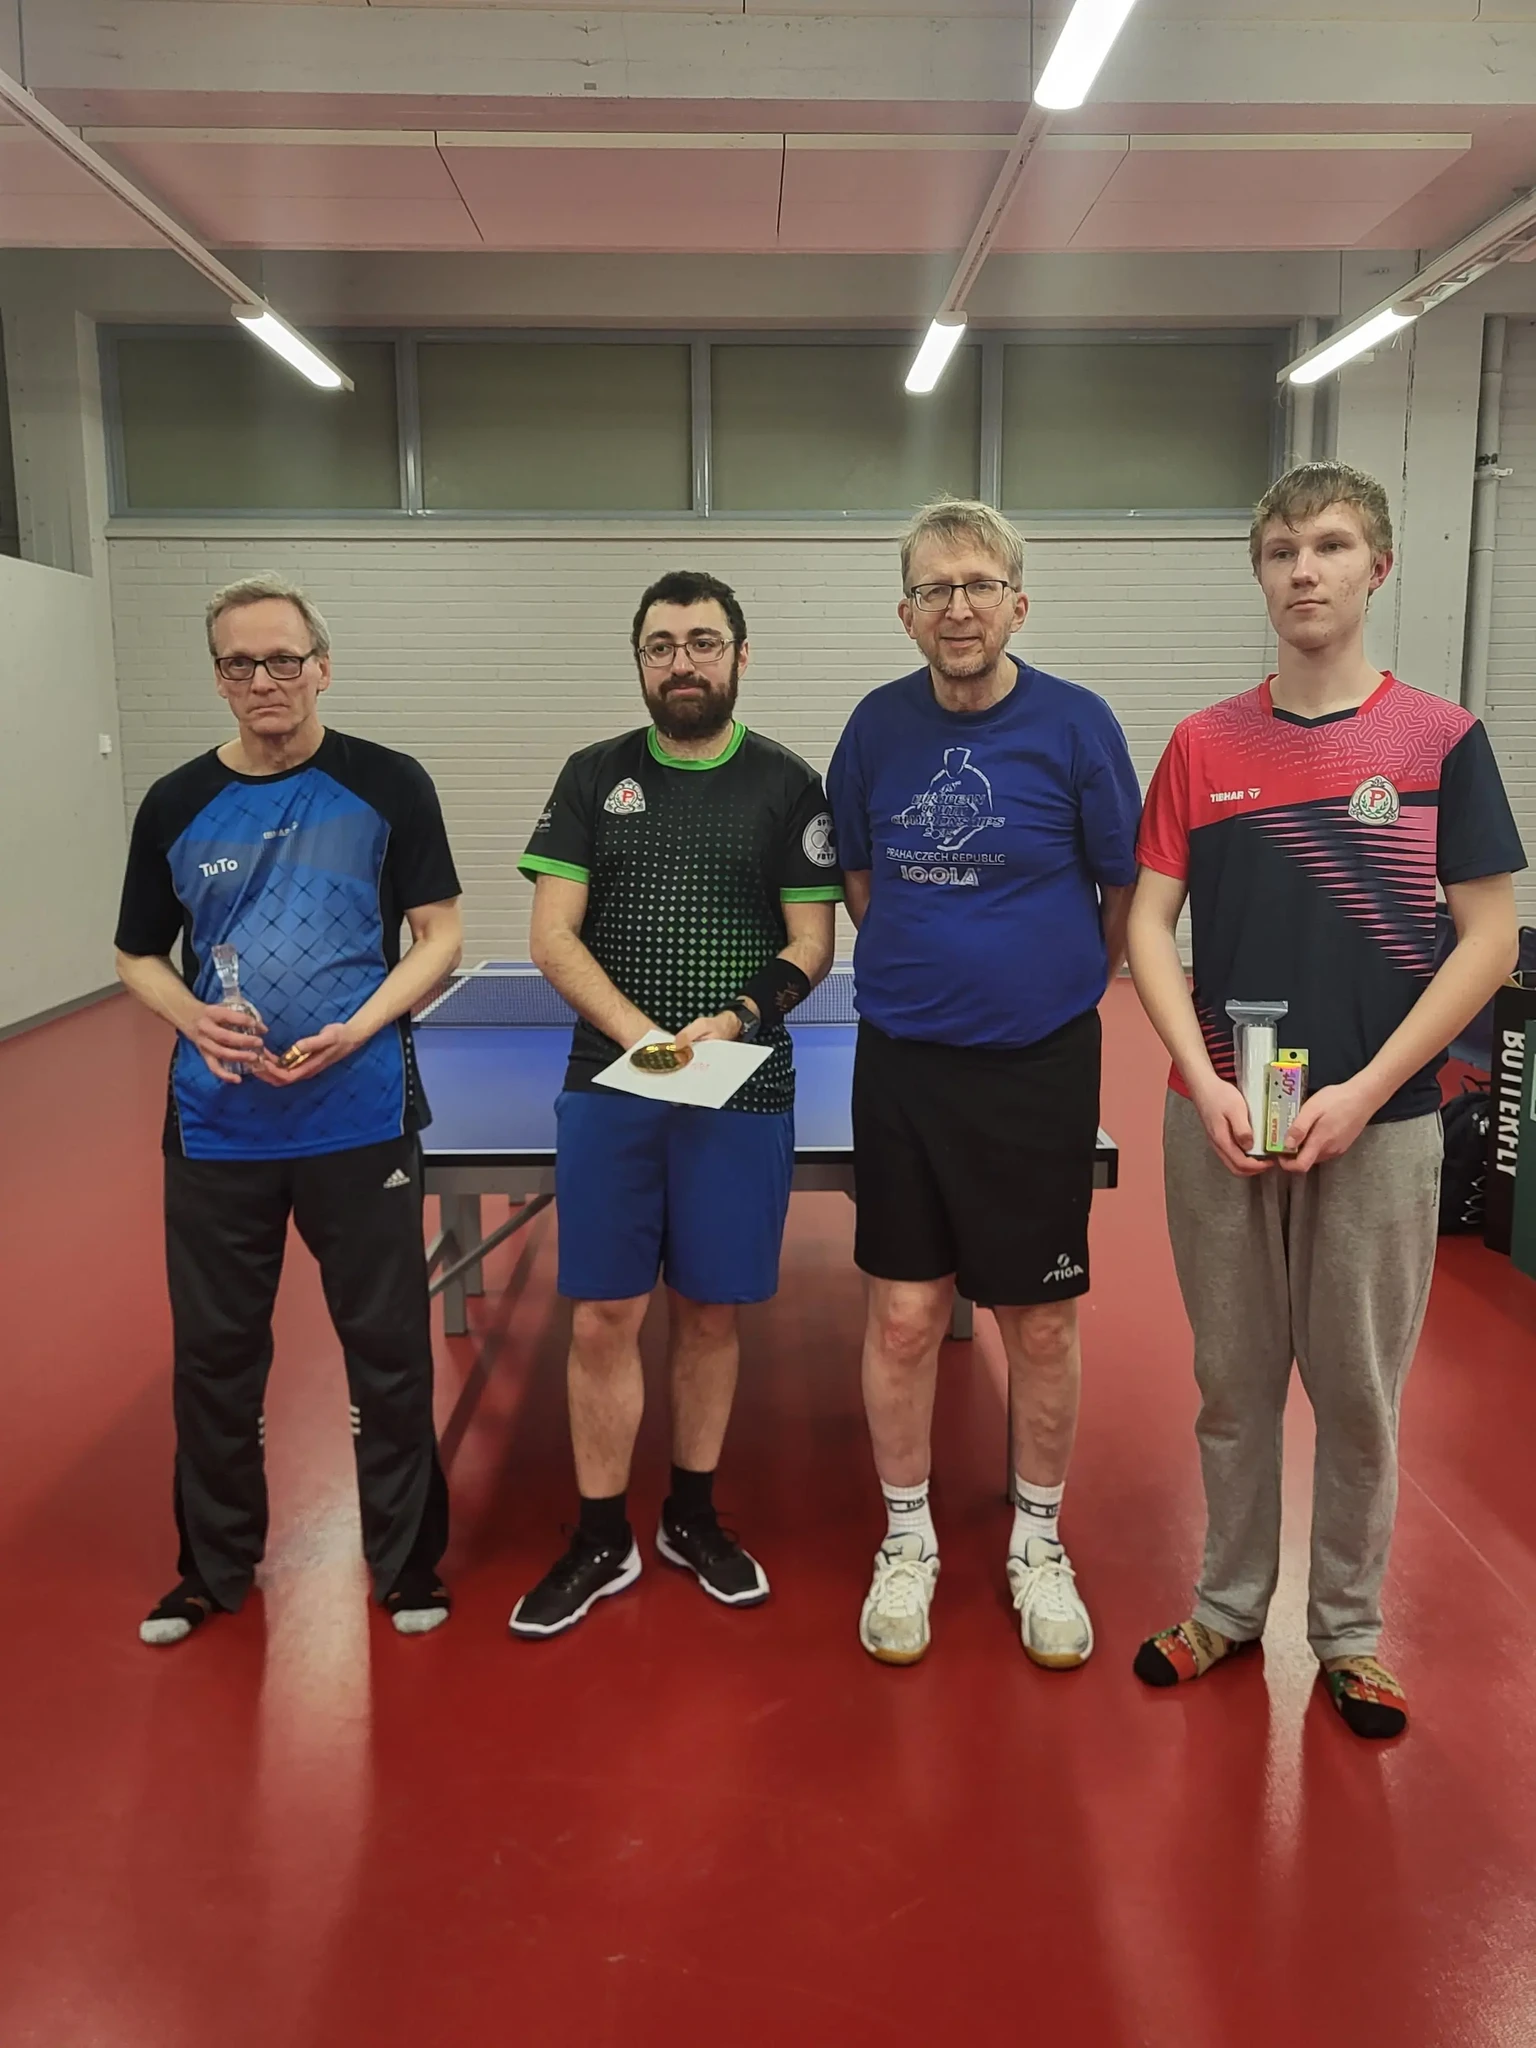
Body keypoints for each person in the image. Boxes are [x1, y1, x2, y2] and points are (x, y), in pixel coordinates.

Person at [1128, 461, 1524, 1738]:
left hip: (1380, 1125)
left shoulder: (1441, 743)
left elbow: (1489, 939)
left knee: (1358, 1395)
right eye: (1283, 549)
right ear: (1260, 572)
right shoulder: (1202, 744)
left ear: (1378, 566)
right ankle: (1227, 1605)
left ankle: (1349, 1631)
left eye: (1333, 545)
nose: (1305, 569)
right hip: (1222, 1119)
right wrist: (1201, 1079)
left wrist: (1370, 1088)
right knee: (1232, 1384)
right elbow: (1146, 922)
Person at [115, 574, 464, 1646]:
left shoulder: (388, 783)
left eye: (283, 658)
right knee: (216, 1357)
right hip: (218, 1127)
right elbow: (137, 954)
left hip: (361, 1115)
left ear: (321, 665)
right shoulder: (174, 802)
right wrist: (192, 1018)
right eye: (240, 663)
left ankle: (406, 1563)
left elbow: (440, 933)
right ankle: (211, 1570)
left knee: (389, 1349)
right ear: (218, 677)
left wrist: (363, 1024)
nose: (264, 679)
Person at [825, 499, 1141, 1669]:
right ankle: (907, 1538)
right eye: (934, 588)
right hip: (904, 1059)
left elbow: (1123, 884)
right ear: (906, 611)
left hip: (1039, 1064)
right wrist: (934, 966)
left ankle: (1039, 1541)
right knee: (906, 1314)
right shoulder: (874, 727)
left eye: (977, 584)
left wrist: (1059, 983)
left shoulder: (1078, 723)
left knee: (1039, 1319)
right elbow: (861, 876)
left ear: (1018, 601)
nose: (956, 606)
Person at [509, 569, 840, 1638]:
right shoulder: (592, 775)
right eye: (661, 645)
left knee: (709, 1310)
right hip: (612, 1082)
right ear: (641, 662)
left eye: (703, 642)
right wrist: (644, 1040)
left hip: (743, 1084)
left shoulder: (788, 785)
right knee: (603, 1313)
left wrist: (736, 1018)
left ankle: (691, 1517)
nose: (681, 661)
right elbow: (552, 935)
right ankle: (600, 1535)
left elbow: (812, 944)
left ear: (740, 656)